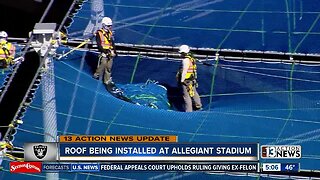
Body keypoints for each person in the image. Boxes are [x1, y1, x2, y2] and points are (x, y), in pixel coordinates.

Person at [176, 45, 202, 112]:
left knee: (186, 96)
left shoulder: (185, 60)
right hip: (192, 79)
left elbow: (185, 70)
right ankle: (198, 106)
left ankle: (189, 111)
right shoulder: (191, 59)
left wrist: (182, 80)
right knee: (194, 93)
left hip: (186, 81)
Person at [93, 17, 117, 85]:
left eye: (110, 26)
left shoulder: (110, 33)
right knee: (103, 64)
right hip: (103, 51)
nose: (109, 27)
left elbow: (112, 42)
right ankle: (96, 75)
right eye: (108, 26)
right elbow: (99, 44)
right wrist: (104, 52)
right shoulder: (99, 33)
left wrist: (115, 51)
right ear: (103, 25)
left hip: (110, 51)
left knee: (109, 67)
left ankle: (107, 80)